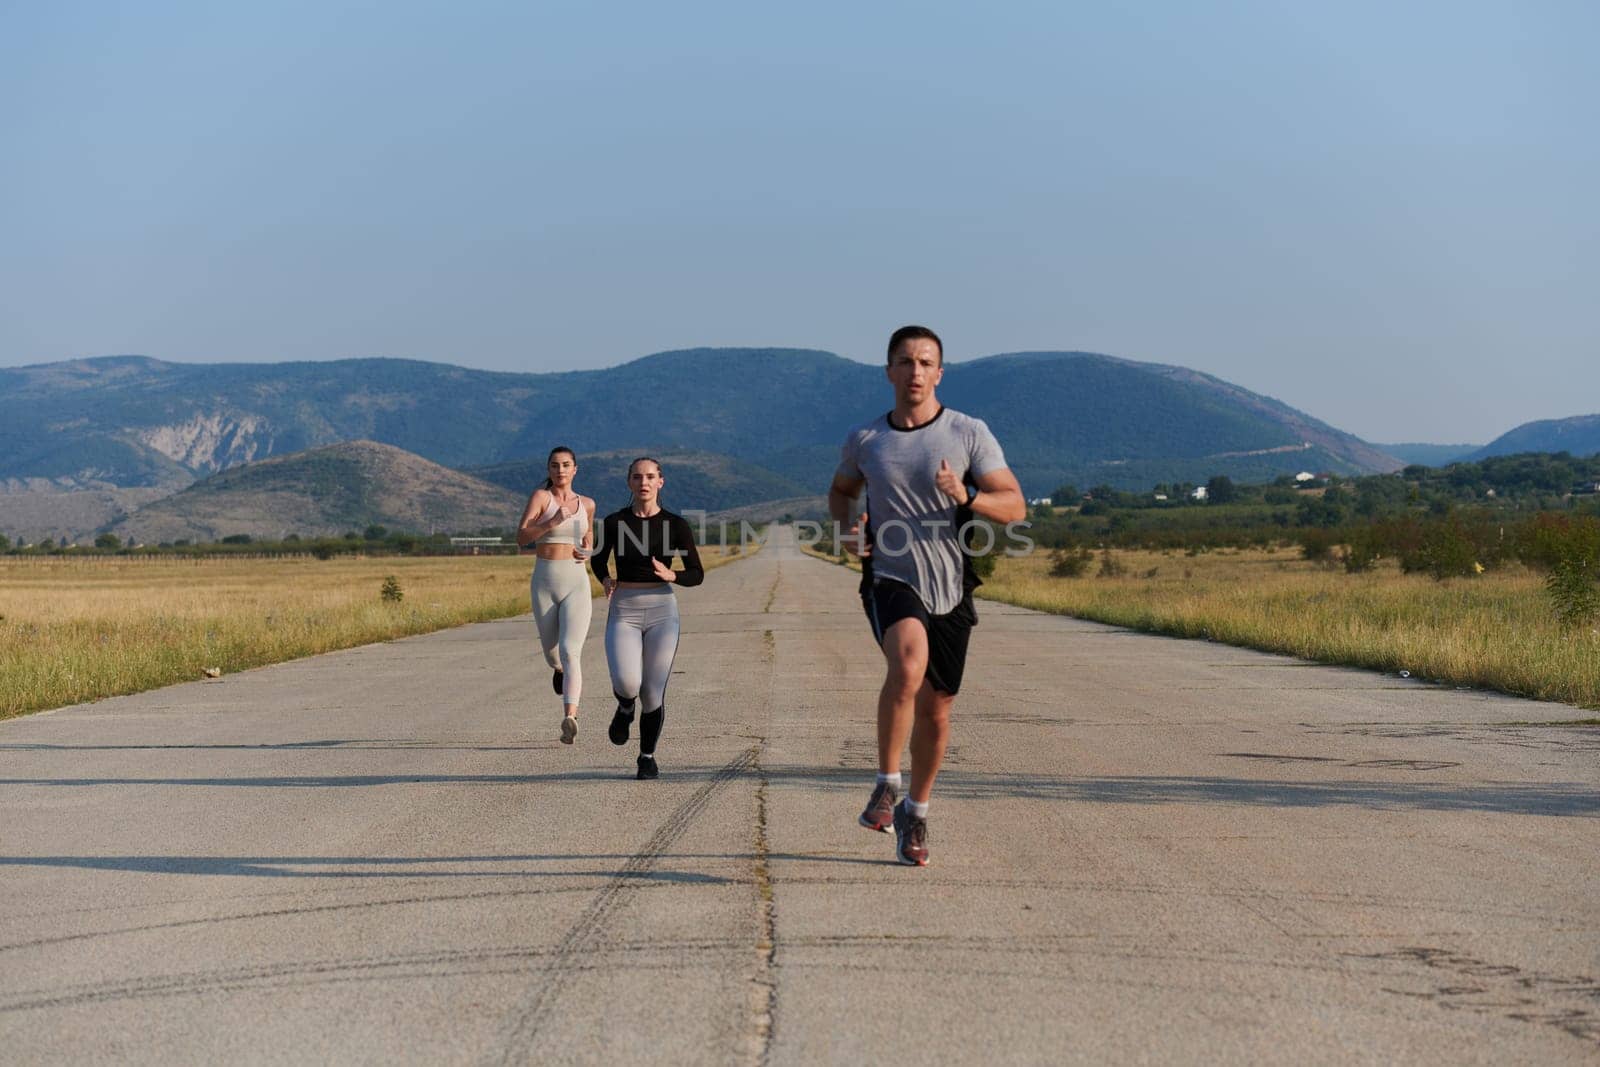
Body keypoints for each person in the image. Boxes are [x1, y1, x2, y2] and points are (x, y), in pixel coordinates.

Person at [828, 325, 1025, 866]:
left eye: (925, 363)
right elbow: (841, 492)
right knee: (908, 665)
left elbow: (1014, 505)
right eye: (905, 361)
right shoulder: (866, 440)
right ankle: (887, 783)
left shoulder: (967, 433)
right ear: (889, 370)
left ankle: (915, 812)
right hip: (890, 575)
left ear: (939, 373)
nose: (915, 372)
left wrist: (967, 495)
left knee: (937, 710)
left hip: (951, 583)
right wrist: (849, 529)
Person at [589, 457, 705, 779]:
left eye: (650, 476)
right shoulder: (613, 522)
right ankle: (625, 708)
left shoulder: (676, 525)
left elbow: (697, 573)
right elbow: (598, 560)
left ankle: (647, 757)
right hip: (624, 608)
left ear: (660, 482)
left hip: (662, 611)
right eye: (637, 477)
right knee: (627, 683)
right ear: (629, 482)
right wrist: (605, 579)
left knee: (652, 692)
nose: (644, 482)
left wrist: (673, 574)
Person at [516, 446, 597, 744]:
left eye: (566, 465)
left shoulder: (587, 504)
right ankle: (557, 670)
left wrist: (588, 550)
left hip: (576, 581)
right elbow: (521, 537)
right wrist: (551, 522)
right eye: (554, 465)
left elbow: (589, 539)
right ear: (549, 470)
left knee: (571, 649)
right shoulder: (541, 498)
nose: (560, 470)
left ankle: (570, 717)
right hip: (545, 581)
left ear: (575, 469)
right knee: (553, 653)